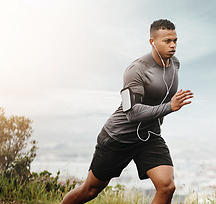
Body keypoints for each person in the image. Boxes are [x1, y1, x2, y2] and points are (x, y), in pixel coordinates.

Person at [61, 19, 193, 204]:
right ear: (152, 42)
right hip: (118, 137)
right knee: (89, 191)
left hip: (149, 136)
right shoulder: (136, 70)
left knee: (167, 187)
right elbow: (131, 112)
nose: (173, 46)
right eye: (167, 41)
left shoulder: (175, 64)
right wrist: (169, 107)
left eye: (175, 40)